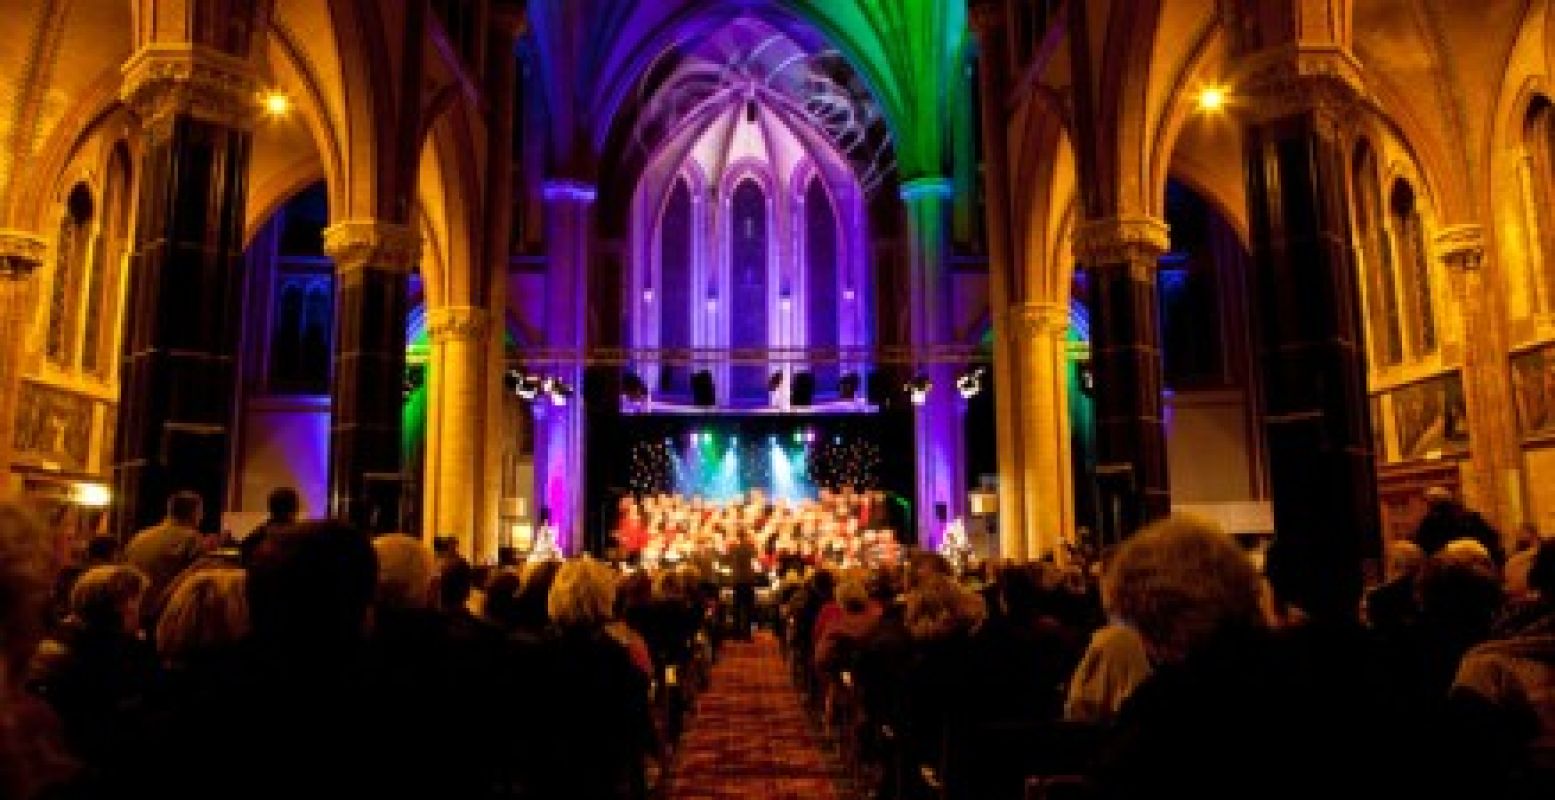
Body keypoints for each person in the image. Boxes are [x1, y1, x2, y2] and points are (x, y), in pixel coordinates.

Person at [123, 491, 206, 629]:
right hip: (163, 614)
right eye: (201, 512)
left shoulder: (140, 536)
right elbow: (196, 583)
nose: (202, 517)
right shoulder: (191, 538)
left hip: (132, 610)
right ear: (194, 513)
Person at [240, 487, 299, 566]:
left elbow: (244, 551)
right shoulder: (302, 534)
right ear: (294, 508)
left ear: (271, 508)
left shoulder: (261, 532)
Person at [728, 529, 760, 640]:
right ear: (746, 536)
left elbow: (730, 563)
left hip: (737, 580)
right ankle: (747, 634)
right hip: (748, 580)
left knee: (737, 607)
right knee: (748, 608)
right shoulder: (751, 549)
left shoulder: (734, 549)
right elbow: (755, 564)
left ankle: (736, 634)